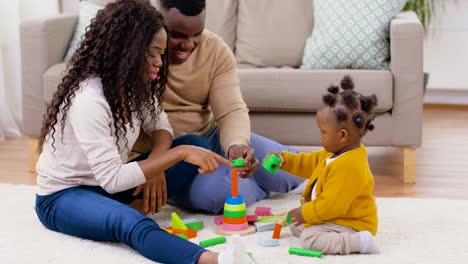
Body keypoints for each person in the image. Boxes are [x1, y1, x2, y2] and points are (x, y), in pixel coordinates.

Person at [34, 1, 254, 263]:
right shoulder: (90, 99)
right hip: (63, 196)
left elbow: (161, 126)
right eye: (152, 54)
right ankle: (215, 260)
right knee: (129, 222)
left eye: (161, 54)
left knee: (195, 141)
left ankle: (118, 208)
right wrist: (176, 155)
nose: (159, 62)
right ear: (127, 50)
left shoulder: (135, 87)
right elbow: (112, 179)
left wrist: (157, 166)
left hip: (106, 189)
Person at [133, 0, 305, 214]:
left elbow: (231, 110)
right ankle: (256, 189)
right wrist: (156, 164)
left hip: (210, 137)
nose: (189, 45)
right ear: (158, 20)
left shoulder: (215, 49)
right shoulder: (136, 54)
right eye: (178, 35)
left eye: (197, 34)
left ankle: (254, 184)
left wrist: (236, 146)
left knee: (291, 167)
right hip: (168, 158)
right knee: (224, 194)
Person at [265, 76, 380, 255]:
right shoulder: (333, 153)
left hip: (351, 223)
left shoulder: (349, 166)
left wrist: (306, 212)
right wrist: (284, 160)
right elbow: (307, 162)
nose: (320, 135)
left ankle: (360, 242)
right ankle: (319, 228)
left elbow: (331, 206)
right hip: (334, 217)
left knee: (309, 239)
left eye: (323, 131)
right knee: (297, 226)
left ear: (342, 135)